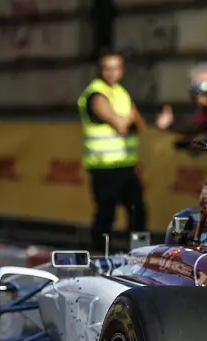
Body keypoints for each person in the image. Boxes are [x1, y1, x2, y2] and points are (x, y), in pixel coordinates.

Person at [78, 51, 147, 248]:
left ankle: (140, 253)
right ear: (100, 70)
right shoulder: (96, 93)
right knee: (107, 213)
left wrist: (129, 119)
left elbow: (139, 125)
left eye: (116, 67)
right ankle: (99, 253)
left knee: (137, 211)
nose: (112, 72)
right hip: (103, 166)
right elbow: (121, 125)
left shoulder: (121, 92)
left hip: (125, 164)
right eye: (107, 68)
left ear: (122, 70)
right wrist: (127, 118)